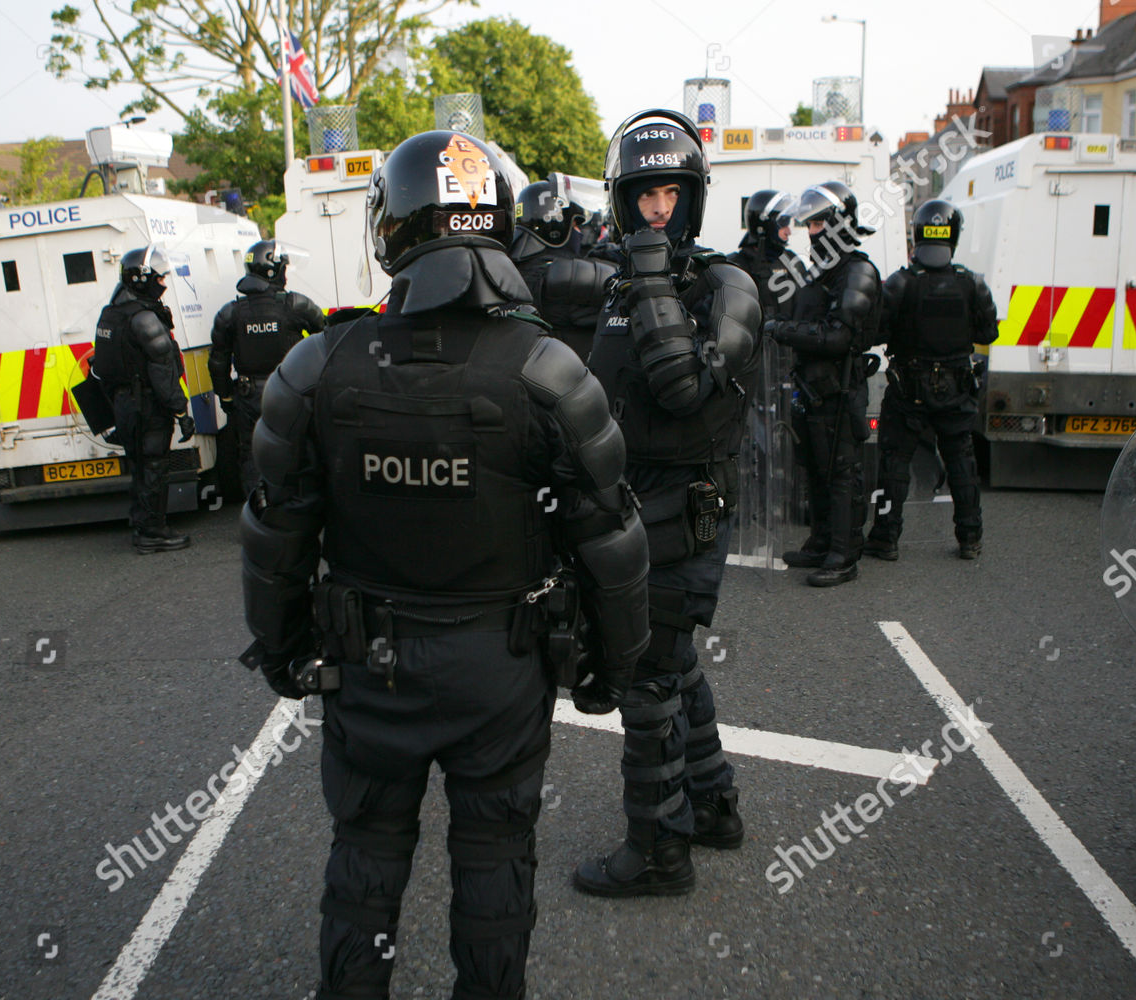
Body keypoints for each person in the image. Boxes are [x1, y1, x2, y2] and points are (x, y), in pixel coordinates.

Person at [239, 129, 649, 1000]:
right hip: (498, 667)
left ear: (393, 229)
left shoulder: (317, 366)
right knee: (495, 859)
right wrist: (614, 668)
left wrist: (278, 650)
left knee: (365, 858)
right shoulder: (549, 370)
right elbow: (611, 540)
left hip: (367, 665)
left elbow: (275, 533)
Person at [577, 109, 761, 897]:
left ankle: (658, 851)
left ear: (694, 198)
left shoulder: (727, 285)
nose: (658, 211)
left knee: (648, 679)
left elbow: (683, 389)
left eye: (671, 195)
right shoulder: (620, 286)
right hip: (628, 507)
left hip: (684, 515)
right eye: (644, 196)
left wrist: (652, 278)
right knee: (676, 663)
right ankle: (714, 804)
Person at [864, 199, 997, 561]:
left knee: (894, 466)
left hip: (909, 390)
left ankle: (886, 538)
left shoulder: (901, 283)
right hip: (956, 388)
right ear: (953, 237)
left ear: (917, 235)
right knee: (962, 464)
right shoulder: (971, 284)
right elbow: (989, 331)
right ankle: (970, 537)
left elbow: (876, 331)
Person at [765, 180, 882, 586]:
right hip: (811, 389)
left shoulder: (858, 271)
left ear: (837, 224)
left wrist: (782, 329)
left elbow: (837, 336)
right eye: (808, 224)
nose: (810, 232)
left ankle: (844, 556)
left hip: (839, 390)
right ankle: (820, 542)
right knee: (815, 470)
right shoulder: (819, 273)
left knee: (842, 474)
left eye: (817, 224)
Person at [92, 246, 196, 553]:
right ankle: (152, 531)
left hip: (125, 405)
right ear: (141, 278)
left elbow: (104, 369)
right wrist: (180, 412)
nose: (163, 282)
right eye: (159, 276)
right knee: (153, 466)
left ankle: (141, 524)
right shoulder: (145, 320)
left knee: (139, 466)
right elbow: (164, 373)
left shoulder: (111, 314)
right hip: (147, 406)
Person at [209, 240, 325, 496]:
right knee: (296, 447)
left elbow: (218, 360)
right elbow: (325, 337)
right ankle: (294, 507)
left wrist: (226, 396)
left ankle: (259, 510)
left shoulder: (230, 312)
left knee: (252, 453)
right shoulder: (295, 304)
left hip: (248, 394)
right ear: (273, 271)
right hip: (289, 390)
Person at [508, 179, 613, 360]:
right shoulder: (561, 273)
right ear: (557, 227)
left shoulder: (509, 268)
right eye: (575, 225)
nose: (578, 232)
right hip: (573, 376)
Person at [726, 189, 802, 323]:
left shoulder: (792, 262)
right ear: (765, 225)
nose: (788, 231)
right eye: (783, 224)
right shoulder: (735, 267)